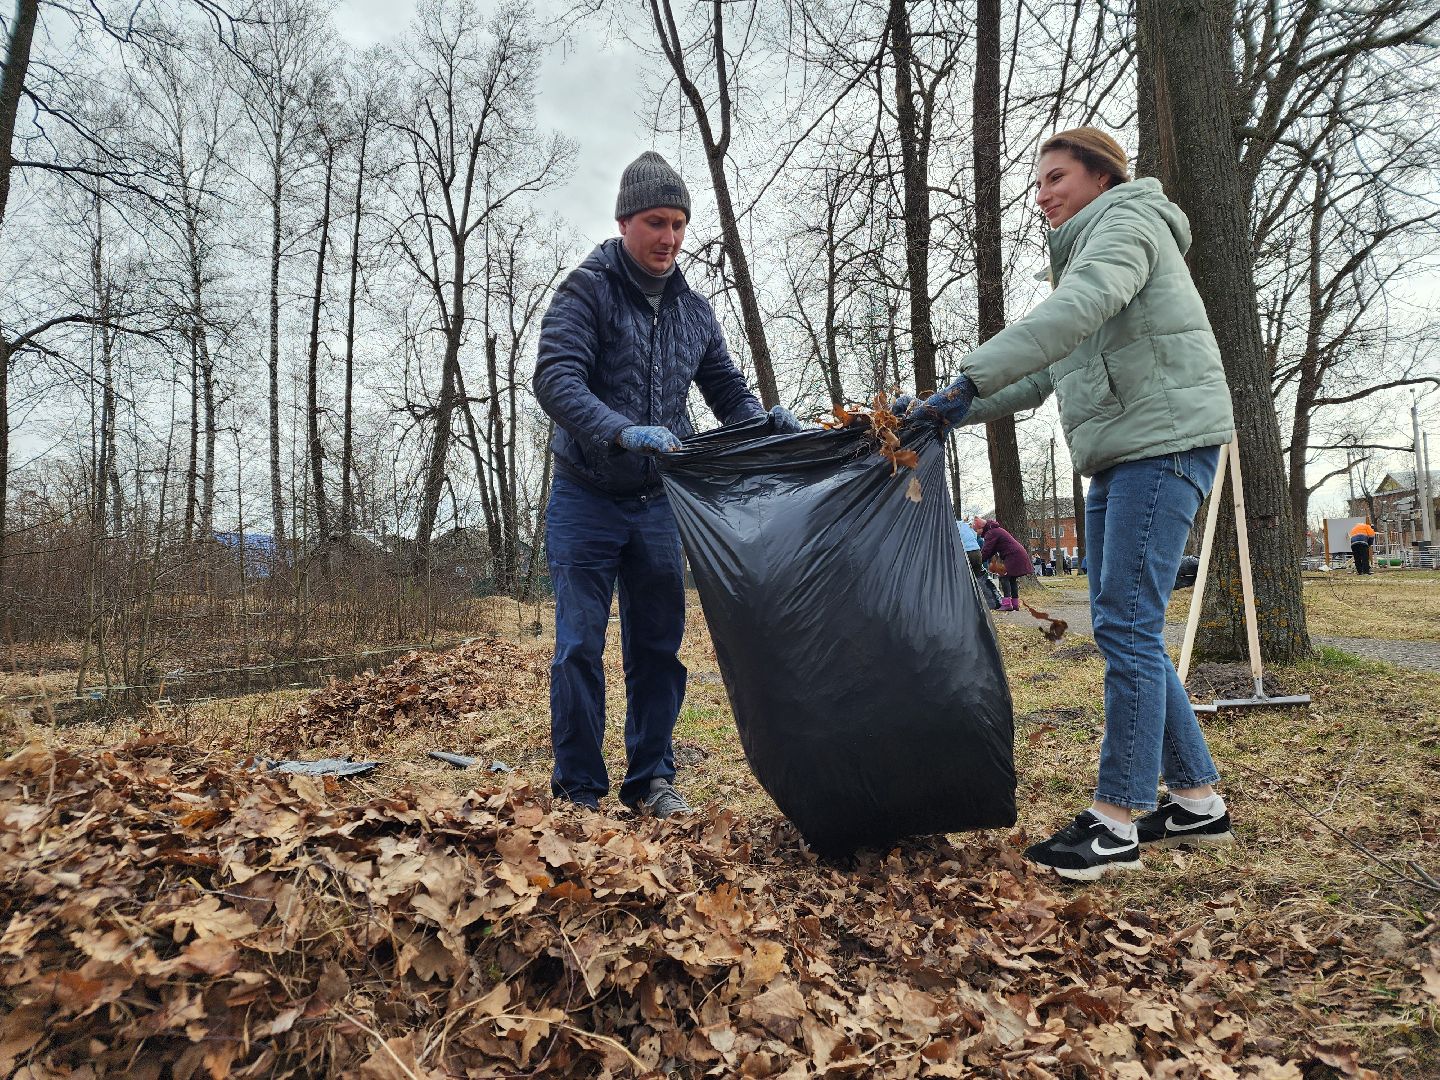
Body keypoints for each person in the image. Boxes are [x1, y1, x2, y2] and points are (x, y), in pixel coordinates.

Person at [903, 128, 1236, 881]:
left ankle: (1115, 822)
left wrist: (968, 376)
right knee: (1129, 627)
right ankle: (1195, 801)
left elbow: (1079, 308)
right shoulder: (1085, 252)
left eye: (1056, 177)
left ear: (1102, 176)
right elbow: (1045, 371)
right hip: (1121, 451)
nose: (1042, 194)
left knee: (1126, 625)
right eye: (1038, 182)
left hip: (1162, 443)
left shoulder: (1128, 224)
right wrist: (946, 409)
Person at [533, 150, 802, 816]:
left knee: (658, 647)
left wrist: (765, 426)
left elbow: (726, 394)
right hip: (585, 496)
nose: (670, 238)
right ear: (625, 221)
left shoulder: (694, 312)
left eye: (679, 224)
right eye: (656, 222)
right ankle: (579, 790)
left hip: (658, 502)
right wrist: (622, 431)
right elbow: (556, 380)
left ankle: (651, 779)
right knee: (578, 646)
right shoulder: (586, 291)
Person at [975, 517, 1031, 612]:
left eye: (976, 530)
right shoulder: (994, 530)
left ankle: (1007, 604)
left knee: (1004, 577)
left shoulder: (991, 533)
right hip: (1017, 554)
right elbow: (991, 550)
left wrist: (978, 561)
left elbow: (987, 550)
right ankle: (1015, 604)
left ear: (981, 528)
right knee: (1012, 579)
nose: (977, 533)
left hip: (1013, 555)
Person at [958, 516, 1001, 610]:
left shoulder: (953, 526)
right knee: (981, 576)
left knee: (963, 578)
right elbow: (975, 537)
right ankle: (996, 601)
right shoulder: (966, 525)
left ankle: (966, 604)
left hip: (965, 553)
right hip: (976, 552)